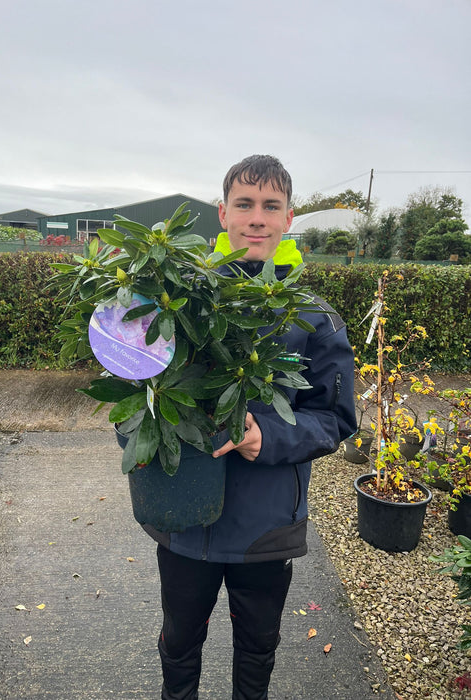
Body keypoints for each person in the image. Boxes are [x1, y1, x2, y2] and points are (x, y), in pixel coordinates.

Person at [142, 155, 357, 699]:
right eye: (244, 204)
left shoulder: (313, 317)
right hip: (184, 515)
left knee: (258, 646)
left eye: (271, 206)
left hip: (265, 525)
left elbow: (335, 418)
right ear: (223, 214)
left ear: (288, 219)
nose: (256, 218)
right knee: (179, 640)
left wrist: (269, 436)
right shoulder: (179, 301)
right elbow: (132, 391)